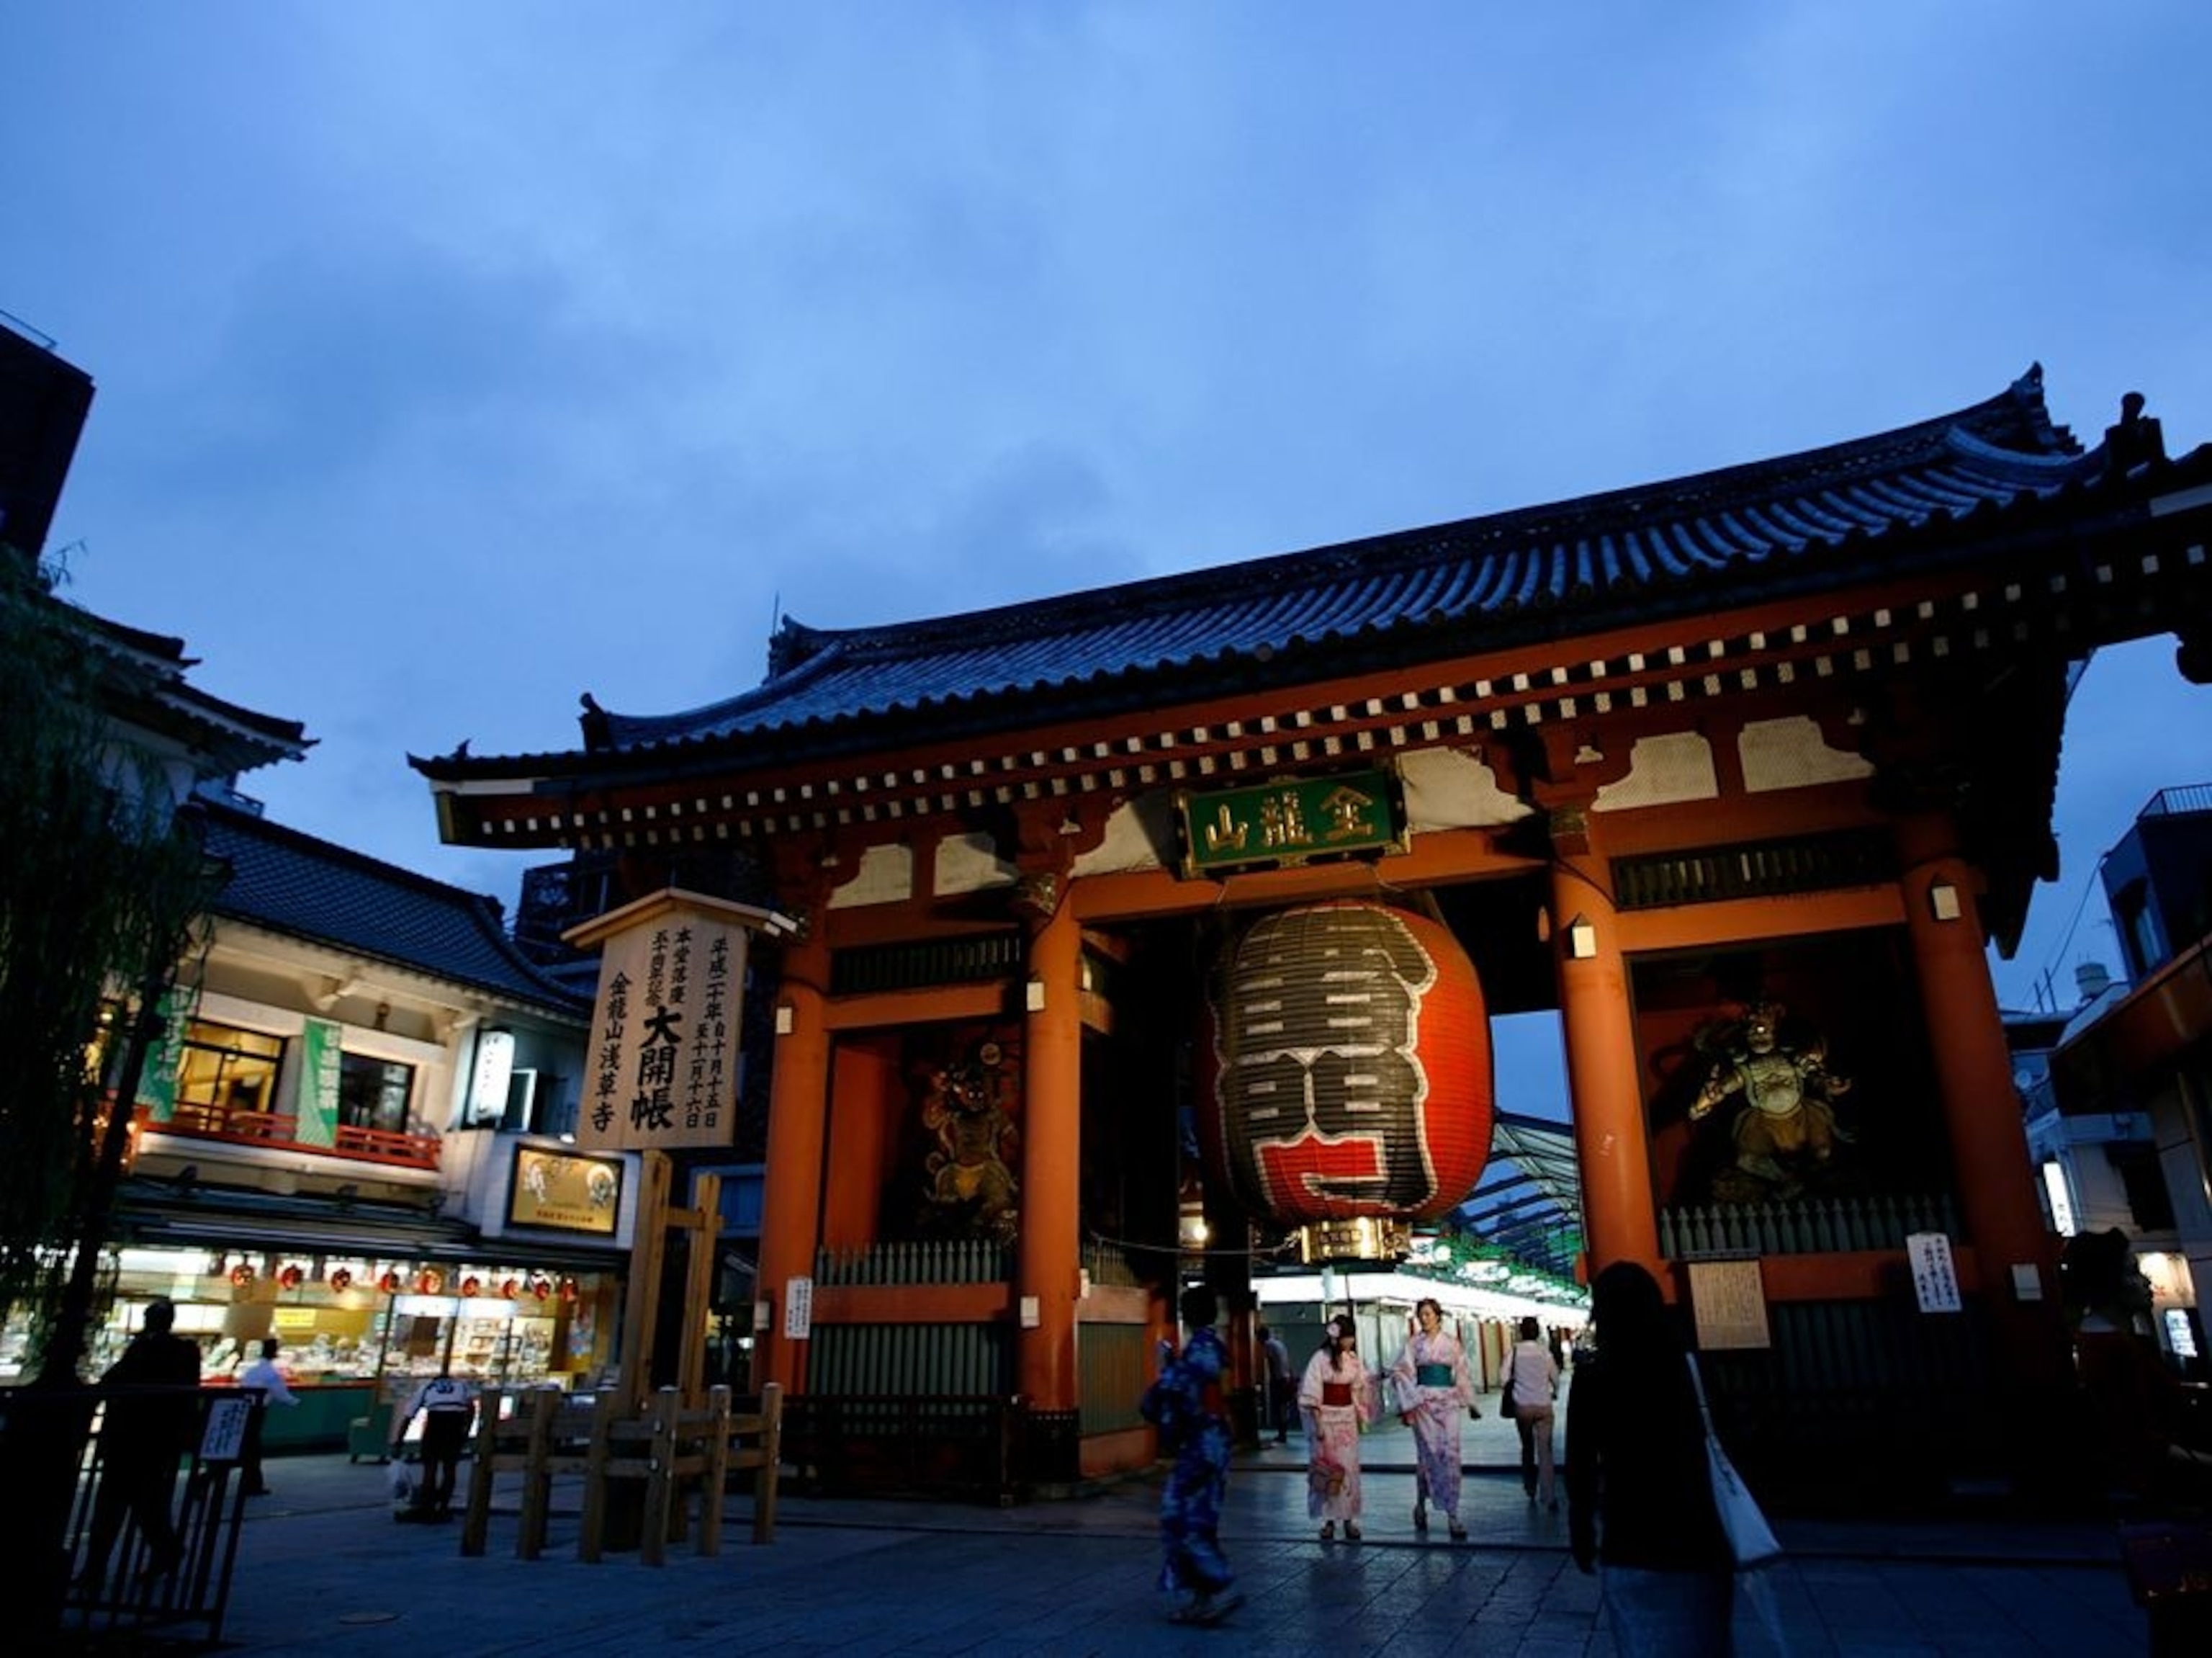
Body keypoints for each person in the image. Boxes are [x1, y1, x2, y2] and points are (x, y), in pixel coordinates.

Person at [1567, 1262, 1735, 1657]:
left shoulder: (1593, 1376)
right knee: (1708, 1644)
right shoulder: (1693, 1368)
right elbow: (1727, 1442)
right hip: (1701, 1534)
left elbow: (1581, 1464)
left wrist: (1582, 1527)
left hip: (1630, 1534)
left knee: (1641, 1643)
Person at [78, 1297, 202, 1590]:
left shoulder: (145, 1350)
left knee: (118, 1507)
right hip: (155, 1442)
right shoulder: (183, 1353)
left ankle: (98, 1568)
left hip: (133, 1438)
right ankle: (164, 1551)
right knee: (146, 1506)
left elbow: (113, 1380)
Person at [1141, 1283, 1241, 1624]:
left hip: (1201, 1444)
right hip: (1216, 1441)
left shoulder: (1198, 1350)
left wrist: (1164, 1373)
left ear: (1189, 1314)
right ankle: (1201, 1598)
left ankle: (1218, 1582)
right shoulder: (1217, 1347)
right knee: (1200, 1516)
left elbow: (1175, 1390)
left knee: (1178, 1515)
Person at [1389, 1296, 1476, 1539]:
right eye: (1421, 1315)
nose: (1424, 1319)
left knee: (1451, 1454)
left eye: (1428, 1314)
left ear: (1438, 1316)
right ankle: (1421, 1504)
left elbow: (1461, 1372)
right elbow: (1401, 1370)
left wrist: (1470, 1402)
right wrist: (1409, 1398)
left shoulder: (1452, 1344)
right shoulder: (1413, 1344)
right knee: (1428, 1455)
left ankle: (1453, 1513)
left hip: (1448, 1402)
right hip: (1424, 1403)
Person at [1299, 1313, 1375, 1541]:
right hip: (1326, 1418)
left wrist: (1373, 1385)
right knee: (1328, 1469)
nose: (1350, 1342)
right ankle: (1328, 1520)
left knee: (1348, 1469)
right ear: (1336, 1337)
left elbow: (1360, 1387)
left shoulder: (1353, 1360)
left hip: (1347, 1419)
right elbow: (1311, 1392)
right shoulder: (1319, 1359)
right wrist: (1318, 1423)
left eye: (1352, 1337)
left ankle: (1350, 1519)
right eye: (1346, 1337)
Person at [390, 1365, 477, 1519]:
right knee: (450, 1468)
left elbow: (409, 1415)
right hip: (455, 1425)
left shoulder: (427, 1387)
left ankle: (427, 1506)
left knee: (430, 1467)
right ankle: (444, 1506)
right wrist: (466, 1431)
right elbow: (471, 1408)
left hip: (435, 1423)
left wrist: (399, 1441)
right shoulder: (461, 1387)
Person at [1507, 1314, 1563, 1507]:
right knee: (1545, 1451)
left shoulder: (1514, 1352)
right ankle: (1549, 1496)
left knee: (1527, 1447)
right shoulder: (1544, 1353)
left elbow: (1502, 1377)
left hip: (1522, 1406)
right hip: (1543, 1405)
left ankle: (1530, 1487)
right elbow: (1555, 1377)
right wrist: (1555, 1391)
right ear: (1538, 1332)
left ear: (1521, 1332)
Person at [235, 1337, 298, 1497]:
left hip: (243, 1410)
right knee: (253, 1450)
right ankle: (252, 1485)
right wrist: (296, 1402)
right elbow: (282, 1394)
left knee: (248, 1449)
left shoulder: (251, 1371)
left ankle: (251, 1483)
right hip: (257, 1413)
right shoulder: (271, 1373)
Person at [1259, 1322, 1294, 1444]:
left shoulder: (1268, 1345)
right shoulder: (1279, 1343)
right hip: (1286, 1377)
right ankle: (1283, 1433)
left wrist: (1270, 1380)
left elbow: (1271, 1364)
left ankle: (1282, 1435)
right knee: (1283, 1407)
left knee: (1279, 1407)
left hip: (1279, 1380)